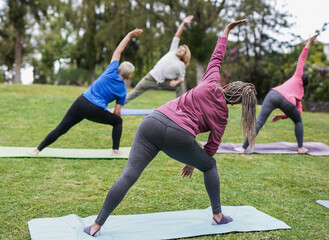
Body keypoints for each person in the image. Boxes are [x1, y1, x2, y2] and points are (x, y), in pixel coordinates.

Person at [84, 19, 257, 237]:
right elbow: (212, 147)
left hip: (152, 122)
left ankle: (96, 225)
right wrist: (192, 163)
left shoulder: (212, 79)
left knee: (129, 176)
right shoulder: (222, 117)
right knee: (210, 165)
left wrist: (226, 30)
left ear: (229, 86)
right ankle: (218, 216)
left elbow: (217, 55)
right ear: (237, 103)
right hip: (179, 136)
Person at [29, 28, 143, 157]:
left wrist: (128, 35)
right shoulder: (122, 90)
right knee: (117, 121)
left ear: (118, 69)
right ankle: (115, 150)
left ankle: (37, 150)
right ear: (128, 77)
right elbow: (117, 112)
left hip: (81, 102)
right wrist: (115, 116)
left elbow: (118, 51)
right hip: (95, 110)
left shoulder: (111, 70)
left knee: (61, 128)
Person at [234, 34, 318, 154]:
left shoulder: (297, 77)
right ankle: (300, 148)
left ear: (301, 78)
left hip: (274, 95)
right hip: (287, 102)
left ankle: (243, 148)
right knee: (298, 121)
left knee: (259, 122)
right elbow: (298, 112)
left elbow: (301, 60)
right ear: (305, 85)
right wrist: (283, 116)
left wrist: (308, 43)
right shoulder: (301, 92)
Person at [124, 15, 193, 104]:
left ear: (185, 55)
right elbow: (177, 36)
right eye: (180, 48)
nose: (179, 50)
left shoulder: (181, 65)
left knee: (180, 85)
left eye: (182, 50)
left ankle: (180, 107)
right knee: (134, 92)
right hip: (152, 77)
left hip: (164, 82)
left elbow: (181, 78)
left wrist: (176, 82)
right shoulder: (173, 51)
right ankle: (117, 107)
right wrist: (183, 23)